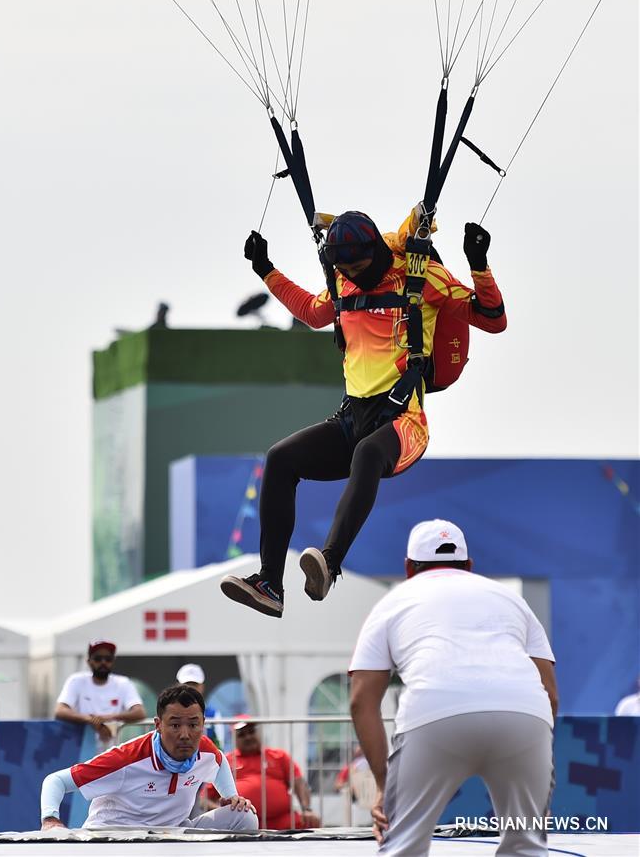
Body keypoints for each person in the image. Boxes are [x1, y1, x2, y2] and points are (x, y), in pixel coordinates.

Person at [221, 210, 506, 618]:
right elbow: (313, 312)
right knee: (281, 458)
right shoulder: (343, 281)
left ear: (375, 250)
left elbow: (492, 319)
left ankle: (329, 562)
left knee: (368, 455)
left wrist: (478, 264)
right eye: (346, 268)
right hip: (351, 419)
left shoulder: (421, 277)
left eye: (359, 265)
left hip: (403, 422)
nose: (354, 274)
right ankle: (269, 582)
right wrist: (265, 269)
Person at [349, 519, 558, 857]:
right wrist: (536, 758)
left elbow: (361, 702)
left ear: (408, 567)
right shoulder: (511, 600)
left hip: (434, 714)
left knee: (402, 846)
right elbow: (550, 694)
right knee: (526, 847)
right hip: (524, 716)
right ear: (470, 566)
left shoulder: (392, 602)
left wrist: (384, 787)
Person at [40, 685, 258, 832]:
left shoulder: (207, 750)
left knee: (245, 816)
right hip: (114, 839)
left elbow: (218, 763)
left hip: (174, 834)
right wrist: (50, 820)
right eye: (174, 725)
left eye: (193, 725)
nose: (185, 734)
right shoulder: (124, 759)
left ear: (203, 724)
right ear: (158, 725)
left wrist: (231, 796)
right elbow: (55, 781)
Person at [206, 717, 320, 830]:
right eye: (242, 734)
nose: (248, 737)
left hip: (284, 820)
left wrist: (307, 809)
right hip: (243, 822)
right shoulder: (226, 761)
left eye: (251, 732)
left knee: (312, 822)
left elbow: (299, 782)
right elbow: (205, 797)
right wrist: (224, 813)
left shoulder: (279, 756)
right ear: (234, 738)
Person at [54, 640, 146, 746]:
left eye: (108, 659)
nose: (103, 662)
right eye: (98, 659)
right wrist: (91, 720)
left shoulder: (123, 683)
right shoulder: (76, 680)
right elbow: (60, 711)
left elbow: (139, 712)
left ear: (113, 661)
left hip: (111, 749)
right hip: (82, 750)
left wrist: (106, 719)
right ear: (89, 661)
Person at [175, 663, 223, 747]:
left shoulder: (213, 714)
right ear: (178, 685)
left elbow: (219, 744)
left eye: (194, 684)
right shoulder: (168, 712)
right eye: (187, 684)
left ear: (202, 687)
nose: (190, 688)